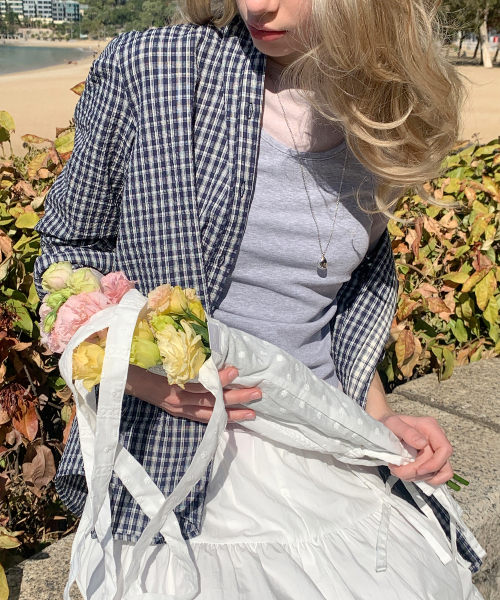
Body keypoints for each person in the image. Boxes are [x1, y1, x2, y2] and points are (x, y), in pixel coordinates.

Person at [34, 0, 485, 598]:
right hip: (178, 464)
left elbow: (337, 303)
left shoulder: (387, 113)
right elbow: (67, 251)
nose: (257, 5)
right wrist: (144, 380)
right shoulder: (153, 70)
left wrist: (378, 419)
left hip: (325, 449)